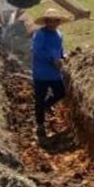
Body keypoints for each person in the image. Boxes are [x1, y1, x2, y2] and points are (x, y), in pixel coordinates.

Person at [31, 8, 70, 140]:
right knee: (39, 100)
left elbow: (59, 49)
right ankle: (40, 125)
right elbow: (37, 51)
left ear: (59, 22)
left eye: (55, 21)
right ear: (46, 22)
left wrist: (63, 57)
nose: (53, 24)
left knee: (60, 93)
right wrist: (51, 60)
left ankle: (47, 106)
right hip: (41, 73)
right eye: (50, 21)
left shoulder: (59, 34)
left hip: (54, 73)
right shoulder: (40, 34)